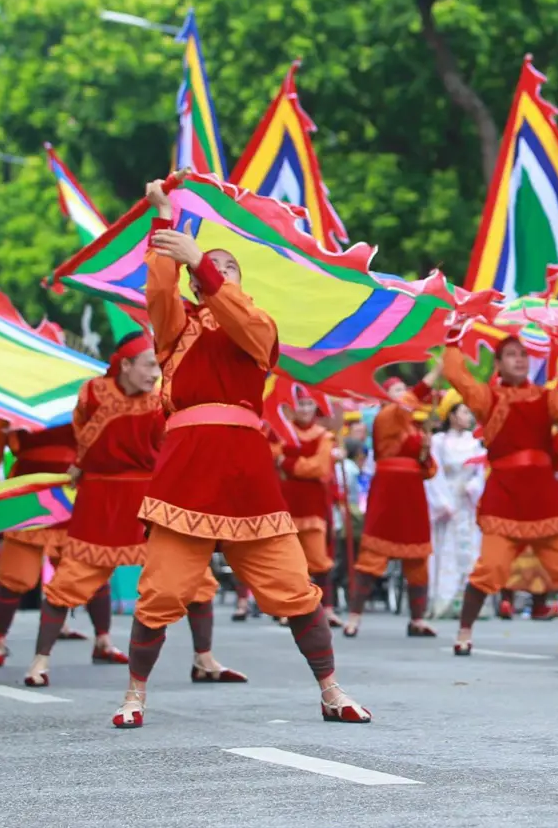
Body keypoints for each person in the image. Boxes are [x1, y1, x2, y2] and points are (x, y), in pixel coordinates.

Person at [113, 180, 366, 729]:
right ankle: (134, 695)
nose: (217, 270)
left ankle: (331, 691)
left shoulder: (260, 329)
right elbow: (159, 292)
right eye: (212, 266)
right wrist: (162, 221)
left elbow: (240, 318)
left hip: (247, 475)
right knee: (161, 590)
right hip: (186, 471)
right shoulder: (175, 332)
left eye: (228, 267)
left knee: (295, 589)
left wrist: (201, 261)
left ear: (239, 284)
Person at [22, 332, 165, 686]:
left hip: (144, 499)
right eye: (149, 364)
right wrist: (82, 463)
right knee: (69, 581)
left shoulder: (160, 400)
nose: (155, 373)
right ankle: (39, 662)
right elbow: (83, 435)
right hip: (98, 497)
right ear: (126, 364)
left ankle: (203, 658)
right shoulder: (92, 393)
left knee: (191, 580)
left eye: (158, 365)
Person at [443, 336, 558, 657]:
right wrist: (453, 341)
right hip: (505, 496)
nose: (519, 360)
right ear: (498, 364)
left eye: (523, 355)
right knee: (490, 569)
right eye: (511, 355)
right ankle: (464, 633)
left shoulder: (544, 397)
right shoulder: (488, 397)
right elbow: (457, 376)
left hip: (543, 497)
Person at [0, 415, 85, 667]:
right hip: (30, 491)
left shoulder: (88, 386)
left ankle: (103, 639)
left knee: (88, 567)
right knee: (15, 574)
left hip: (74, 487)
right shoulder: (12, 390)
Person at [345, 370, 438, 637]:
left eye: (403, 389)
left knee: (417, 557)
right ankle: (354, 617)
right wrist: (435, 373)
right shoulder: (387, 417)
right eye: (396, 391)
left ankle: (417, 619)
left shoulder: (416, 427)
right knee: (372, 556)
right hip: (388, 491)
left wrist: (425, 452)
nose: (402, 394)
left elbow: (429, 470)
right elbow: (411, 399)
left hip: (412, 493)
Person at [270, 384, 339, 629]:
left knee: (318, 559)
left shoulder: (324, 435)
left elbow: (319, 468)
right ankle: (288, 609)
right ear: (291, 406)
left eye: (310, 404)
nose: (306, 409)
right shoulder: (281, 432)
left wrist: (287, 464)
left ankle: (327, 608)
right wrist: (295, 464)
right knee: (287, 560)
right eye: (301, 404)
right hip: (285, 504)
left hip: (313, 506)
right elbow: (271, 455)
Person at [427, 398, 485, 619]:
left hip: (467, 502)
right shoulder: (439, 442)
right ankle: (444, 600)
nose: (468, 417)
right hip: (447, 499)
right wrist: (443, 501)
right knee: (445, 549)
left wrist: (472, 486)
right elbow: (434, 472)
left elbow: (480, 472)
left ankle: (469, 600)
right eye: (463, 412)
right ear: (451, 415)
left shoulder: (474, 441)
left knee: (470, 547)